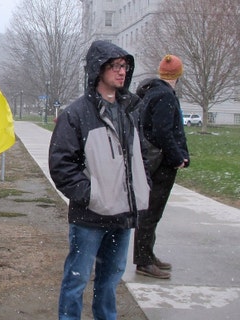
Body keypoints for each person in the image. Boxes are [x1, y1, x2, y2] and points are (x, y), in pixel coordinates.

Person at [48, 40, 150, 320]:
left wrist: (143, 187)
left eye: (125, 66)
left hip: (123, 216)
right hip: (89, 218)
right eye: (115, 66)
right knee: (76, 281)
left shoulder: (130, 110)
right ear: (98, 69)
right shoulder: (76, 114)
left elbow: (142, 156)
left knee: (109, 284)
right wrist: (92, 195)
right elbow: (61, 165)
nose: (122, 72)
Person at [134, 54, 190, 279]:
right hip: (161, 163)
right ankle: (143, 261)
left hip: (151, 160)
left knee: (150, 211)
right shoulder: (165, 96)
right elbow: (163, 132)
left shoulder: (150, 92)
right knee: (151, 212)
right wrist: (178, 157)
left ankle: (147, 254)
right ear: (178, 74)